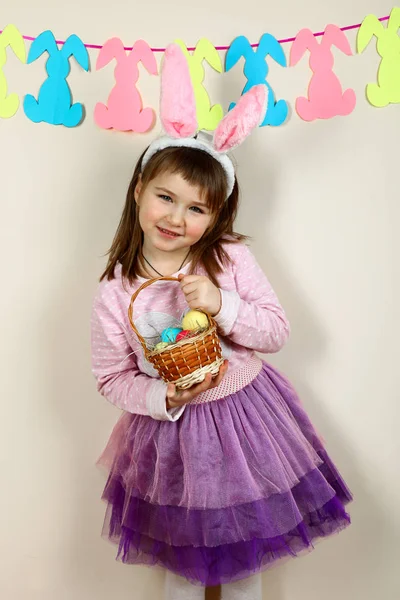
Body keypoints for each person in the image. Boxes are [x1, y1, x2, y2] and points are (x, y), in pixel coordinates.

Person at [91, 43, 352, 600]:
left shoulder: (228, 258)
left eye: (196, 208)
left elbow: (275, 331)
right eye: (165, 196)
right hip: (172, 437)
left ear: (217, 214)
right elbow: (111, 376)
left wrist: (221, 305)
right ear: (139, 191)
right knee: (184, 572)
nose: (176, 217)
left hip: (246, 425)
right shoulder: (117, 290)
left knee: (242, 567)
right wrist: (166, 395)